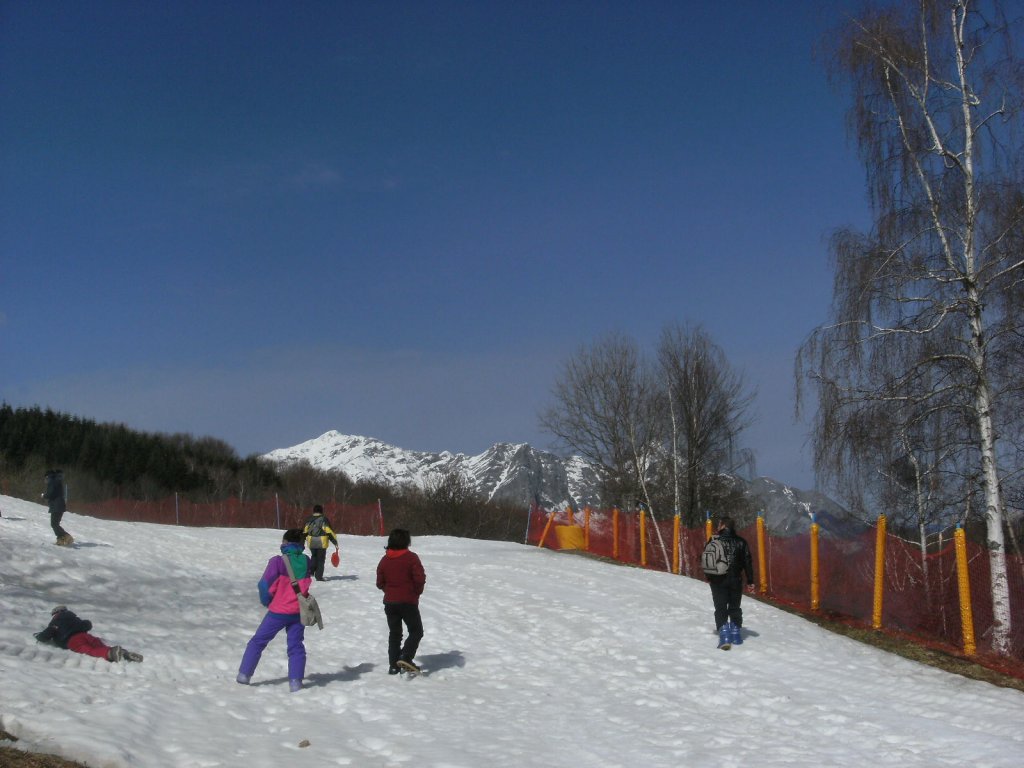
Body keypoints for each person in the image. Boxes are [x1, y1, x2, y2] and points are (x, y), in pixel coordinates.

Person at [237, 529, 314, 692]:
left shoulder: (277, 562)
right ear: (301, 544)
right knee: (296, 646)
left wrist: (267, 601)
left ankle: (244, 675)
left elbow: (264, 585)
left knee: (258, 642)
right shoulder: (307, 561)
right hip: (298, 611)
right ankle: (296, 682)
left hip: (278, 611)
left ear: (285, 542)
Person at [376, 528, 426, 675]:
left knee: (395, 633)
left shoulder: (384, 560)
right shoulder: (411, 558)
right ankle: (406, 656)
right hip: (408, 601)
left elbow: (379, 582)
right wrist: (416, 592)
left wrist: (389, 591)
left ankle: (393, 665)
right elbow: (420, 579)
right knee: (416, 631)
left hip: (390, 603)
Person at [706, 516, 755, 647]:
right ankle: (735, 633)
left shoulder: (714, 540)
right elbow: (748, 562)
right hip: (736, 580)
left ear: (723, 525)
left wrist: (709, 577)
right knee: (734, 607)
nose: (717, 526)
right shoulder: (741, 542)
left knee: (720, 608)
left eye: (719, 524)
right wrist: (750, 581)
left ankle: (724, 636)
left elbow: (706, 559)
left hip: (717, 580)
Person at [34, 606, 143, 662]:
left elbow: (47, 634)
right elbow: (87, 625)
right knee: (99, 646)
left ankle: (112, 653)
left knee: (90, 650)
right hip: (85, 636)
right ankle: (123, 653)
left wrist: (39, 636)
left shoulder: (56, 622)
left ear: (55, 614)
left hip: (73, 640)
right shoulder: (75, 619)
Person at [302, 504, 339, 581]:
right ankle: (319, 576)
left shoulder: (309, 519)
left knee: (314, 556)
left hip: (311, 541)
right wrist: (334, 542)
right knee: (321, 559)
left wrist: (302, 541)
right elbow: (329, 531)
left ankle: (311, 571)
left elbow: (304, 531)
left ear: (314, 511)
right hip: (322, 542)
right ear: (321, 511)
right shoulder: (323, 519)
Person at [43, 469, 72, 546]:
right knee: (55, 523)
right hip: (60, 506)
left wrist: (44, 495)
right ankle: (60, 539)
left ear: (48, 477)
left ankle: (66, 536)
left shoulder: (52, 482)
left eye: (45, 478)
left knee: (54, 524)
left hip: (56, 506)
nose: (45, 480)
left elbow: (50, 493)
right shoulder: (57, 481)